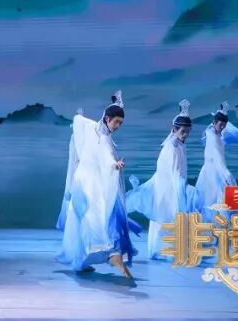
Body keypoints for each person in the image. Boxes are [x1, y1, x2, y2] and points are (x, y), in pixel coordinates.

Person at [56, 93, 138, 278]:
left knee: (89, 220)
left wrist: (78, 118)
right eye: (116, 122)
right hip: (87, 184)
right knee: (93, 219)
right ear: (107, 118)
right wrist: (114, 164)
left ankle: (86, 260)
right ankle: (109, 255)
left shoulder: (98, 130)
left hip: (89, 181)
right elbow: (105, 155)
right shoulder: (100, 133)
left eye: (121, 123)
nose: (118, 126)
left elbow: (79, 122)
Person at [127, 100, 199, 261]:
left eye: (188, 131)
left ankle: (167, 250)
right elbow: (174, 172)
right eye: (182, 131)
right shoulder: (171, 147)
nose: (185, 134)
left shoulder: (180, 145)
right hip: (166, 188)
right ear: (174, 129)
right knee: (164, 218)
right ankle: (160, 251)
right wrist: (182, 190)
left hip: (173, 186)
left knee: (168, 218)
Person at [195, 102, 238, 222]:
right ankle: (218, 225)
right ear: (214, 123)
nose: (222, 128)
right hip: (213, 171)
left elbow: (236, 134)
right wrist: (225, 174)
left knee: (214, 200)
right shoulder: (212, 136)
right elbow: (217, 157)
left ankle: (215, 226)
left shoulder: (214, 134)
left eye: (224, 126)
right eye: (221, 125)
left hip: (212, 170)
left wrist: (222, 115)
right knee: (215, 199)